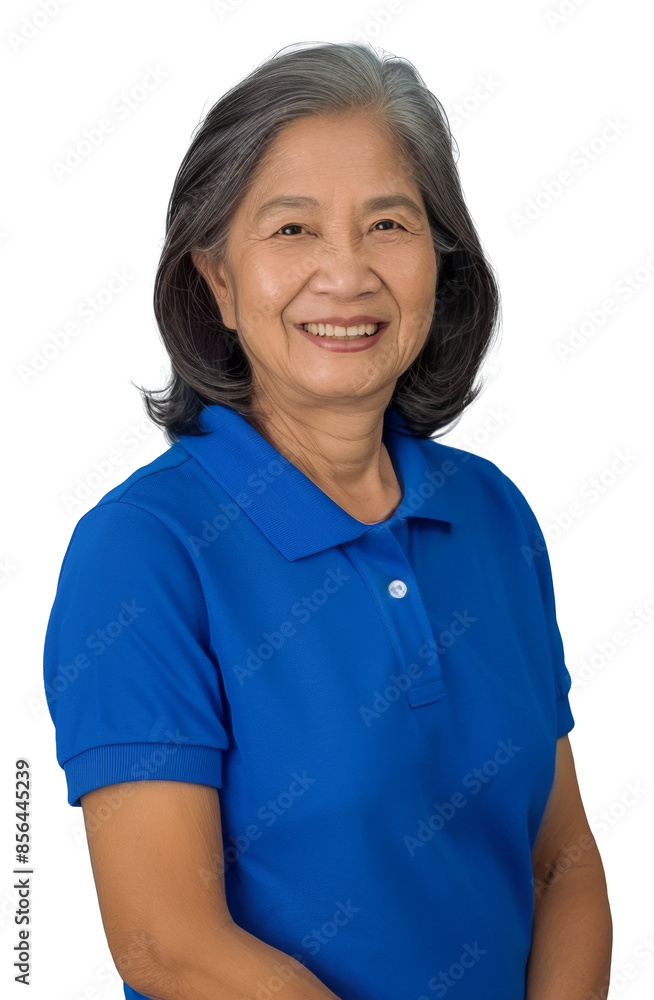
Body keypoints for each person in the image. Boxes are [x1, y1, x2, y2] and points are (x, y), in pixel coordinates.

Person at [42, 41, 612, 1000]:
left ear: (440, 262)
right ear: (217, 282)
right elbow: (166, 943)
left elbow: (561, 862)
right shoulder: (144, 551)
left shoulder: (491, 513)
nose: (345, 274)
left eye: (387, 223)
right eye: (293, 229)